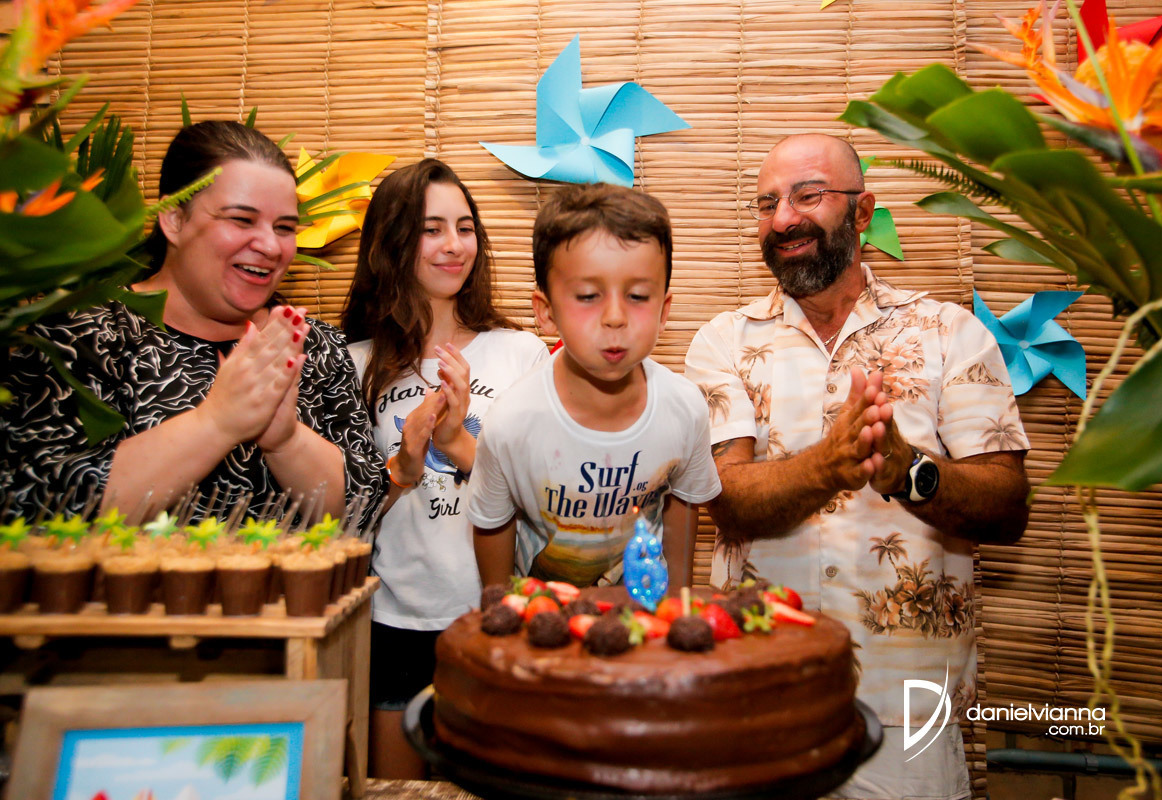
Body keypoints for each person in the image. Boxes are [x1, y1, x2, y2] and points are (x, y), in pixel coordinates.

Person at [684, 133, 1031, 800]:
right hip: (757, 689)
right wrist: (830, 465)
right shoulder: (723, 342)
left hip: (909, 706)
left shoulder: (948, 333)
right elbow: (725, 499)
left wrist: (910, 473)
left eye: (807, 195)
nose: (784, 219)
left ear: (863, 211)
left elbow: (1008, 507)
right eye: (767, 203)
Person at [0, 120, 386, 524]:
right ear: (173, 219)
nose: (270, 246)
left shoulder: (312, 345)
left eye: (284, 228)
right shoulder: (83, 335)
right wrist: (215, 422)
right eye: (241, 220)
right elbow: (34, 501)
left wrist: (286, 440)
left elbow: (363, 513)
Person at [342, 158, 548, 778]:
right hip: (394, 620)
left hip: (497, 617)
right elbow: (341, 517)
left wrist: (457, 443)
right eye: (431, 229)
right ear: (392, 243)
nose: (454, 245)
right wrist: (403, 464)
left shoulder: (521, 353)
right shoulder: (354, 363)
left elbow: (543, 499)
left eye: (464, 227)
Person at [468, 183, 722, 592]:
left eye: (638, 295)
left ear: (664, 310)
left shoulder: (685, 408)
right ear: (546, 312)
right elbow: (492, 529)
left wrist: (678, 605)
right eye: (588, 296)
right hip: (544, 613)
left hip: (643, 610)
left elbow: (684, 508)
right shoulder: (510, 424)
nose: (615, 317)